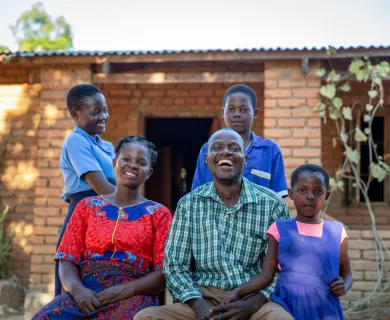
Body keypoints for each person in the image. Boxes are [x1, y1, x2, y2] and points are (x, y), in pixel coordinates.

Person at [135, 128, 292, 320]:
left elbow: (282, 266)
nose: (225, 152)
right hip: (203, 297)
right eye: (217, 147)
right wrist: (199, 306)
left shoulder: (272, 204)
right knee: (146, 318)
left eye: (234, 148)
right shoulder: (188, 205)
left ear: (245, 159)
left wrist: (251, 305)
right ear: (206, 159)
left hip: (253, 298)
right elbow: (176, 266)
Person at [33, 136, 173, 320]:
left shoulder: (158, 213)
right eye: (126, 159)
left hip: (134, 294)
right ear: (115, 162)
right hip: (87, 293)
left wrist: (124, 290)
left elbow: (163, 273)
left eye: (141, 162)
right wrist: (78, 291)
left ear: (149, 172)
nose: (133, 165)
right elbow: (66, 259)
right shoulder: (87, 207)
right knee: (47, 316)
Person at [220, 164, 353, 320]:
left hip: (325, 307)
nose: (310, 197)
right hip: (288, 305)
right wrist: (238, 292)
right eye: (303, 190)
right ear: (291, 193)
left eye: (318, 192)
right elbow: (266, 275)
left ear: (327, 195)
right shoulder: (279, 229)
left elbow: (347, 274)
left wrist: (344, 285)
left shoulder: (336, 232)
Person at [55, 84, 117, 296]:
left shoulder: (105, 145)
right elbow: (99, 186)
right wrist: (137, 206)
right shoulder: (76, 141)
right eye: (95, 112)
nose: (103, 116)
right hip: (84, 211)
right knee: (76, 274)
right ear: (75, 114)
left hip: (109, 208)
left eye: (105, 110)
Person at [191, 84, 288, 198]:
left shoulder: (270, 149)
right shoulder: (209, 149)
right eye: (231, 109)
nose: (237, 114)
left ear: (255, 113)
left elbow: (278, 196)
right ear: (223, 112)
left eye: (243, 109)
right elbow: (198, 194)